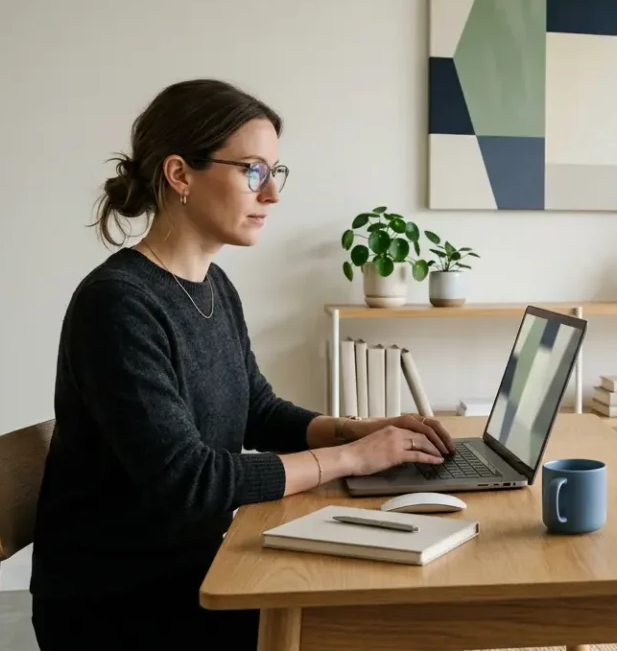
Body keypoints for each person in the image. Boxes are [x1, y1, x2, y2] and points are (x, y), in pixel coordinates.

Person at [29, 79, 454, 650]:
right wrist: (351, 457)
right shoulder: (117, 304)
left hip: (198, 563)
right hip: (120, 601)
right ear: (180, 175)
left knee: (388, 595)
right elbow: (192, 482)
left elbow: (256, 408)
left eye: (275, 173)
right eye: (254, 171)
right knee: (375, 622)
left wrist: (360, 430)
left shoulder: (213, 286)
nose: (272, 194)